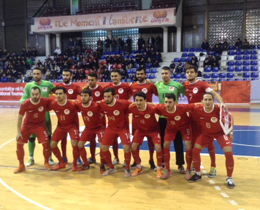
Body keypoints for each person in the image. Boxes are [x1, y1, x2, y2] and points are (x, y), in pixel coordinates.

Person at [184, 65, 227, 176]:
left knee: (209, 142)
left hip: (204, 119)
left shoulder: (203, 84)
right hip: (192, 119)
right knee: (194, 143)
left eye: (192, 72)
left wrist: (222, 104)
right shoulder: (185, 85)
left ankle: (213, 166)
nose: (189, 74)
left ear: (196, 73)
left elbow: (215, 94)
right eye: (188, 72)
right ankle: (194, 164)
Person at [189, 93, 235, 189]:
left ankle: (229, 178)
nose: (208, 102)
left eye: (210, 99)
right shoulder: (198, 109)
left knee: (229, 152)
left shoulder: (219, 109)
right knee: (195, 151)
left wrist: (231, 133)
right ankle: (198, 174)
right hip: (206, 134)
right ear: (202, 101)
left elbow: (230, 117)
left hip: (220, 133)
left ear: (213, 101)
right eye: (205, 100)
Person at [20, 68, 55, 167]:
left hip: (45, 115)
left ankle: (49, 157)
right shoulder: (28, 85)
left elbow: (56, 93)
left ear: (42, 75)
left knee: (48, 137)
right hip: (31, 116)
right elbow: (24, 96)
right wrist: (23, 103)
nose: (36, 75)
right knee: (31, 138)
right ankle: (31, 158)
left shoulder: (48, 84)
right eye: (34, 74)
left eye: (38, 74)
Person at [156, 93, 196, 179]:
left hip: (185, 127)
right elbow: (151, 106)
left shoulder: (182, 107)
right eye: (166, 102)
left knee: (188, 145)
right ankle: (167, 170)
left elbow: (195, 105)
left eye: (170, 102)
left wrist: (217, 105)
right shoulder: (162, 107)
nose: (167, 104)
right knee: (165, 145)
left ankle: (188, 169)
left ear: (175, 102)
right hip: (171, 128)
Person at [155, 66, 186, 173]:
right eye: (162, 73)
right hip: (163, 118)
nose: (164, 75)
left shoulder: (177, 85)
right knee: (163, 142)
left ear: (170, 74)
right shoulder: (157, 85)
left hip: (175, 118)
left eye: (166, 73)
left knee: (178, 142)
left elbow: (189, 94)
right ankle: (163, 162)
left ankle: (180, 164)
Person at [14, 87, 52, 173]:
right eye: (33, 94)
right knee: (19, 143)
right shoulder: (25, 104)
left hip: (40, 125)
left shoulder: (45, 101)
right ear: (30, 95)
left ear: (40, 94)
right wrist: (18, 132)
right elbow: (20, 118)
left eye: (36, 94)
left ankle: (46, 162)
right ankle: (21, 165)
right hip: (27, 125)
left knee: (46, 144)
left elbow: (57, 101)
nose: (34, 96)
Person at [129, 67, 158, 169]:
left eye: (141, 74)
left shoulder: (150, 85)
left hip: (149, 116)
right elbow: (128, 97)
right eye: (138, 74)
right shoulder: (132, 86)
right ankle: (136, 160)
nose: (139, 76)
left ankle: (151, 160)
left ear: (145, 75)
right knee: (136, 142)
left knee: (151, 142)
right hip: (136, 118)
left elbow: (160, 95)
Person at [128, 92, 163, 178]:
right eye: (136, 100)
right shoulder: (132, 108)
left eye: (141, 100)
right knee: (133, 147)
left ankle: (159, 168)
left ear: (145, 101)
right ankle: (139, 167)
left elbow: (162, 112)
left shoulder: (152, 108)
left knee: (158, 147)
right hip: (140, 130)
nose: (138, 102)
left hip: (153, 130)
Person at [99, 87, 132, 177]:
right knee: (104, 148)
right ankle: (111, 168)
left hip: (123, 128)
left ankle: (127, 168)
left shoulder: (122, 103)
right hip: (110, 128)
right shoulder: (102, 103)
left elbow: (134, 105)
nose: (106, 99)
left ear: (114, 96)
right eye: (105, 96)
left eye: (109, 96)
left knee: (126, 148)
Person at [49, 87, 80, 171]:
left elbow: (84, 109)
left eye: (60, 94)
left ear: (65, 95)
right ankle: (61, 162)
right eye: (57, 94)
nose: (58, 96)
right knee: (52, 145)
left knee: (74, 143)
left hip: (72, 126)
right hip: (61, 127)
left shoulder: (72, 104)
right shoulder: (53, 104)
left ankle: (75, 164)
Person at [76, 88, 106, 173]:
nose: (83, 98)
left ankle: (102, 165)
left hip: (100, 128)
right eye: (81, 96)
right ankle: (86, 164)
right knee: (80, 145)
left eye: (85, 96)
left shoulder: (97, 106)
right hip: (88, 128)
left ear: (90, 97)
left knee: (102, 146)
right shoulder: (79, 105)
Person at [56, 69, 82, 164]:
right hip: (62, 117)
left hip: (73, 117)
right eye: (64, 75)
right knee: (63, 139)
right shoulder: (59, 87)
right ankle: (64, 156)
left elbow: (83, 95)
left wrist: (76, 101)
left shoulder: (75, 86)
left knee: (75, 139)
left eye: (67, 75)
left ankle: (78, 157)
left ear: (71, 76)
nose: (65, 76)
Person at [106, 69, 131, 165]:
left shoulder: (125, 86)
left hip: (124, 117)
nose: (114, 78)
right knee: (113, 140)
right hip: (112, 117)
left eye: (116, 76)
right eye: (112, 76)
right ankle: (116, 158)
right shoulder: (108, 87)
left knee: (126, 140)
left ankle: (126, 159)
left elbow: (130, 96)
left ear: (120, 76)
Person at [84, 72, 106, 164]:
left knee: (102, 140)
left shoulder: (101, 89)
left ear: (97, 80)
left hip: (100, 118)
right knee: (91, 139)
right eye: (88, 80)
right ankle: (92, 157)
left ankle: (104, 159)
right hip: (89, 119)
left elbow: (106, 100)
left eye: (92, 80)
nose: (90, 82)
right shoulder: (85, 90)